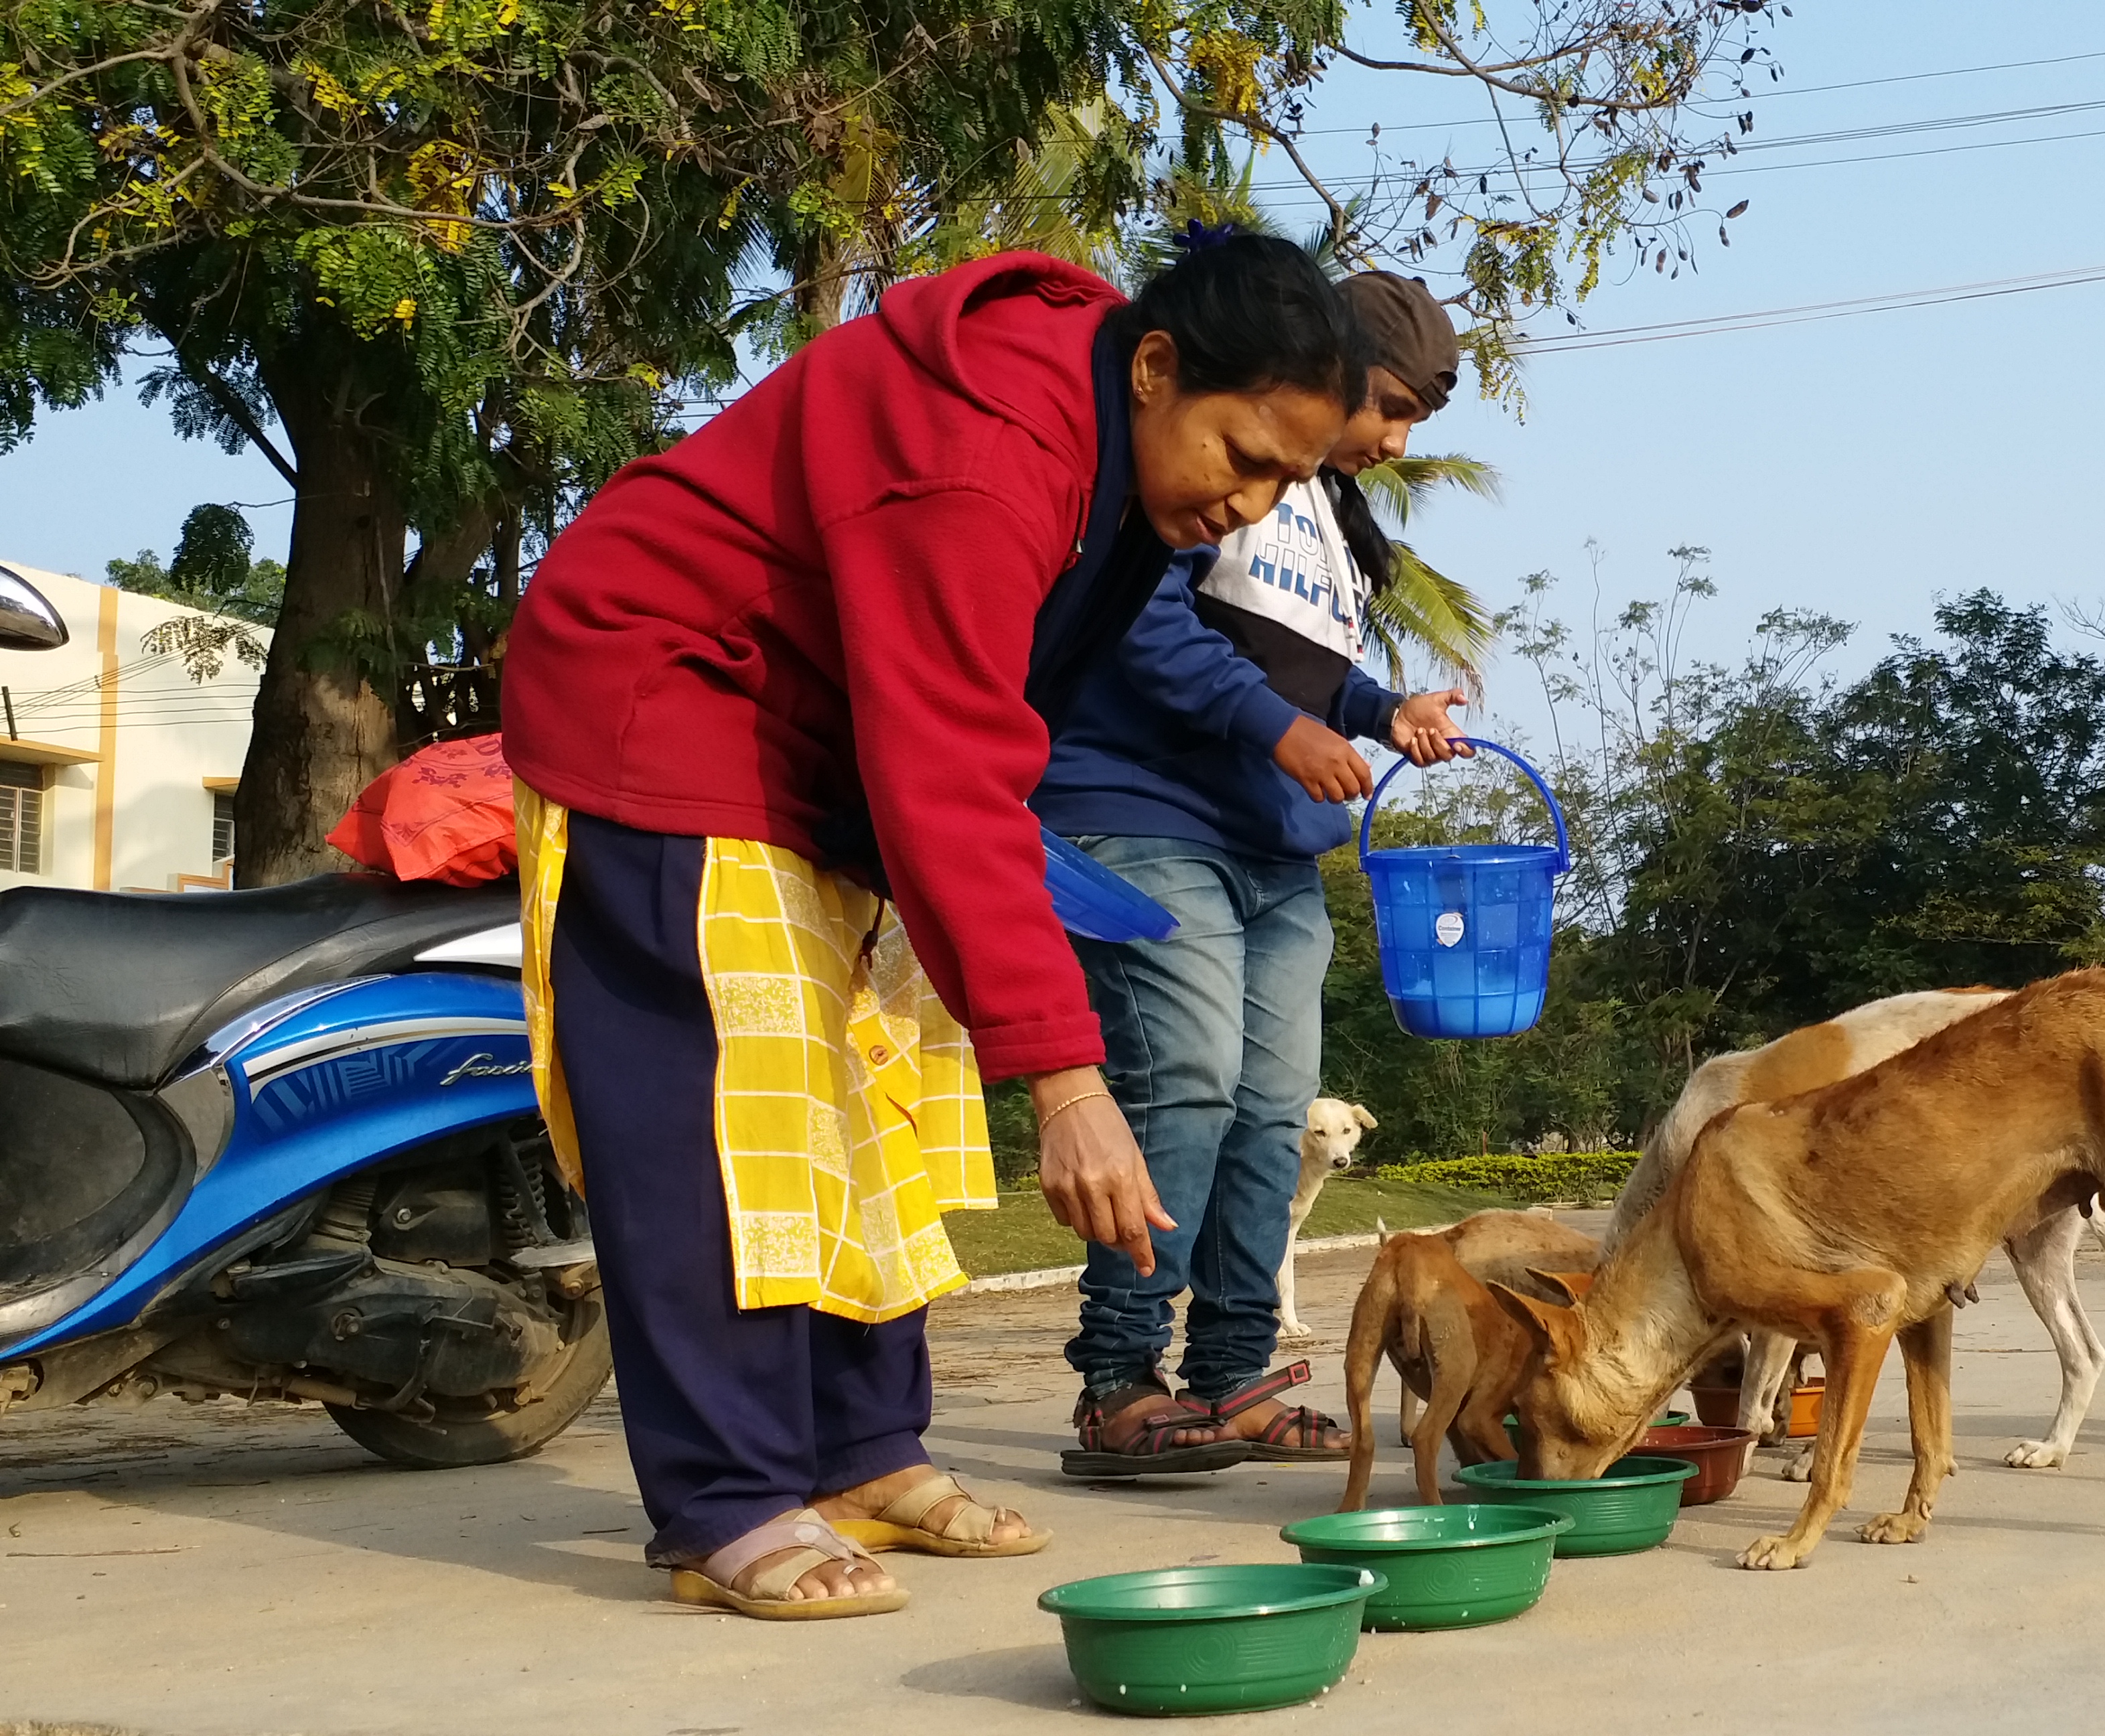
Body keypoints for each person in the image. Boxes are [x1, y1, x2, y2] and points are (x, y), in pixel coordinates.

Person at [498, 234, 1364, 1620]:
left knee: (877, 1094)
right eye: (1242, 455)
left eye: (1284, 483)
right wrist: (1068, 1078)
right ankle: (726, 1498)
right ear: (1156, 371)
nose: (1250, 505)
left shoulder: (1109, 454)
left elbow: (995, 718)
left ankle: (858, 1451)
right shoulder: (988, 446)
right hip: (668, 698)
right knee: (737, 1111)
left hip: (818, 748)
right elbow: (950, 756)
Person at [1032, 271, 1470, 1473]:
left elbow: (1304, 676)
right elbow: (1135, 620)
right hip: (1146, 812)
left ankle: (1231, 1376)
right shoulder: (1208, 477)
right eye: (1385, 407)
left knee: (1274, 1108)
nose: (1387, 439)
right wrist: (1277, 730)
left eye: (1409, 425)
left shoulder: (1323, 517)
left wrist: (1386, 711)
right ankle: (1121, 1377)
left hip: (1275, 846)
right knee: (1186, 1081)